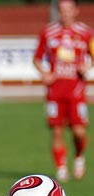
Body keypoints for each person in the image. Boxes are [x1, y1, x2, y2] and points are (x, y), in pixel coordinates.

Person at [33, 0, 94, 182]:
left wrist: (87, 66)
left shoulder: (86, 33)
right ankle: (61, 168)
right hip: (55, 92)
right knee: (57, 131)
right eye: (61, 10)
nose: (64, 13)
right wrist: (45, 73)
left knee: (78, 132)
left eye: (68, 10)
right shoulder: (48, 32)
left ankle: (78, 156)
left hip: (76, 91)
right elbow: (36, 59)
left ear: (76, 11)